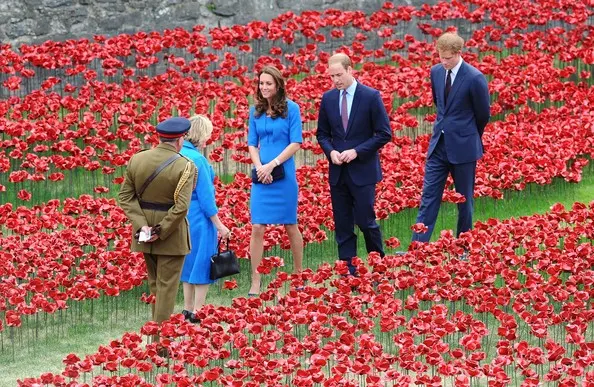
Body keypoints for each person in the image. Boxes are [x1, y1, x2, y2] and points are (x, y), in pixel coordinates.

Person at [316, 53, 392, 276]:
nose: (336, 80)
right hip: (338, 172)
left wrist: (357, 151)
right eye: (332, 76)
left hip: (363, 171)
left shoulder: (370, 96)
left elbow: (383, 133)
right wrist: (330, 152)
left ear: (351, 70)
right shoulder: (329, 99)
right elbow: (322, 134)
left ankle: (378, 267)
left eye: (339, 75)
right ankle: (347, 270)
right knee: (342, 224)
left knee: (367, 221)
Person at [411, 32, 490, 245]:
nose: (443, 62)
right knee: (428, 197)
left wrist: (470, 135)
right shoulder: (436, 72)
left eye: (447, 58)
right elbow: (440, 105)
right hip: (439, 146)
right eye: (440, 57)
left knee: (464, 200)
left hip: (464, 147)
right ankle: (418, 246)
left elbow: (483, 114)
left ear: (458, 53)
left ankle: (464, 245)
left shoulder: (474, 77)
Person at [118, 117, 197, 329]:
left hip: (143, 234)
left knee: (155, 286)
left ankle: (156, 335)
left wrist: (143, 225)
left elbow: (126, 197)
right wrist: (160, 230)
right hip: (170, 235)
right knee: (166, 288)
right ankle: (161, 341)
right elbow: (181, 207)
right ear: (180, 140)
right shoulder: (185, 166)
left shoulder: (137, 159)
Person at [247, 65, 303, 296]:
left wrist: (273, 164)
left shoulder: (292, 109)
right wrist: (260, 166)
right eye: (261, 83)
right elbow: (252, 143)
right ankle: (255, 279)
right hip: (261, 175)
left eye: (269, 83)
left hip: (283, 173)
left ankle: (299, 275)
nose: (264, 87)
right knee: (257, 226)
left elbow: (296, 142)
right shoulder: (255, 111)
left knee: (290, 224)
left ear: (278, 85)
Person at [180, 115, 230, 323]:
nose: (209, 138)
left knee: (187, 261)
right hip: (199, 216)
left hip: (181, 214)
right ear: (201, 134)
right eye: (208, 134)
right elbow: (207, 199)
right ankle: (198, 312)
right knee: (202, 262)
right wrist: (219, 226)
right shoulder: (199, 160)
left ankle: (186, 308)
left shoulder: (178, 154)